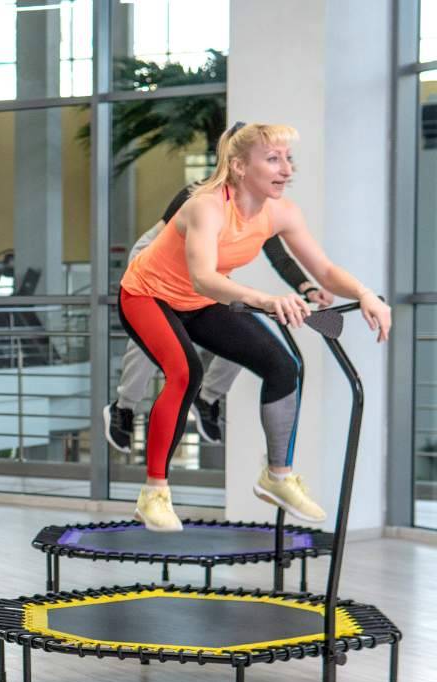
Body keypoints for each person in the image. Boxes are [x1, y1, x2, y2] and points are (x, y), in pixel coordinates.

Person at [118, 122, 390, 532]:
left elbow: (326, 270)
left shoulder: (282, 213)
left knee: (283, 366)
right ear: (240, 166)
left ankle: (277, 477)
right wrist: (267, 300)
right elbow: (204, 278)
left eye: (288, 159)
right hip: (146, 295)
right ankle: (154, 493)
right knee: (185, 373)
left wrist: (365, 292)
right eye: (274, 159)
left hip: (199, 304)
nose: (287, 169)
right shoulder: (205, 205)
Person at [105, 183, 334, 453]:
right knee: (156, 331)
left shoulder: (257, 210)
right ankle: (124, 407)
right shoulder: (200, 197)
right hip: (157, 257)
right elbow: (172, 245)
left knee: (240, 325)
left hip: (202, 266)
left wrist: (306, 287)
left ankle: (208, 398)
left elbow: (279, 256)